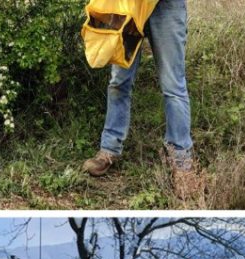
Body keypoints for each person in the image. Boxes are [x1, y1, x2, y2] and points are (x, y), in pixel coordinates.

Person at [81, 0, 198, 199]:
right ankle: (109, 149)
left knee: (173, 86)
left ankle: (182, 163)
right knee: (119, 82)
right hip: (127, 5)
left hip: (166, 6)